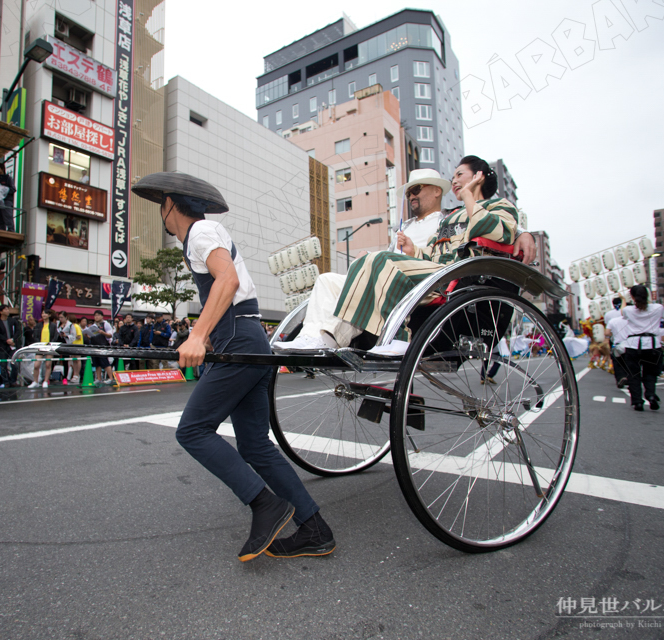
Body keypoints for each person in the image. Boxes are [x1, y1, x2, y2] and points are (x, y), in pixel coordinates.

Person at [132, 171, 335, 561]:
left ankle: (265, 504)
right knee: (256, 446)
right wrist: (204, 335)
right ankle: (315, 528)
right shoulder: (205, 235)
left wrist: (197, 335)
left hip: (241, 343)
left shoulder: (202, 232)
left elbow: (225, 280)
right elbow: (231, 294)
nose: (161, 212)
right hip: (248, 339)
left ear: (171, 204)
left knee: (192, 431)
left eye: (161, 204)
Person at [275, 158, 535, 352]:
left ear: (479, 176)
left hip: (460, 278)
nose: (455, 180)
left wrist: (471, 199)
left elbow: (495, 231)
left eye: (460, 175)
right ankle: (318, 337)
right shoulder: (451, 217)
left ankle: (383, 338)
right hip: (432, 272)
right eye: (453, 176)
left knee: (379, 261)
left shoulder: (497, 206)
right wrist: (414, 250)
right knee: (328, 279)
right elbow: (433, 253)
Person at [621, 284, 664, 411]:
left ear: (632, 296)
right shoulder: (658, 308)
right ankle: (651, 395)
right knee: (651, 373)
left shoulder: (628, 310)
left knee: (633, 374)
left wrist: (624, 300)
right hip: (653, 344)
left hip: (633, 344)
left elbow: (623, 314)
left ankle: (637, 401)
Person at [0, 304, 23, 387]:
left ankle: (13, 381)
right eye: (5, 309)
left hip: (13, 344)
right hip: (2, 345)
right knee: (3, 364)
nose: (7, 311)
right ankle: (6, 381)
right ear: (1, 312)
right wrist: (6, 340)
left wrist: (13, 339)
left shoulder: (12, 321)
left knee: (14, 364)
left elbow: (18, 331)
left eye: (8, 309)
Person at [29, 309, 60, 389]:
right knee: (36, 365)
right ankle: (35, 381)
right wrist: (39, 344)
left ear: (49, 315)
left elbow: (55, 336)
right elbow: (35, 336)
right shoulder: (38, 325)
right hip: (40, 347)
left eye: (45, 313)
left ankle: (45, 381)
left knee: (48, 365)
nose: (44, 315)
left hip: (49, 347)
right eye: (43, 313)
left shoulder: (53, 325)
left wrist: (50, 344)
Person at [605, 298, 630, 389]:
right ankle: (629, 377)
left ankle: (620, 377)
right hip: (631, 343)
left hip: (617, 343)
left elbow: (607, 333)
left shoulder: (610, 316)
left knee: (617, 362)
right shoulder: (631, 318)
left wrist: (613, 334)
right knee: (629, 362)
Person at [0, 164, 16, 232]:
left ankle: (11, 231)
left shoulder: (8, 178)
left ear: (1, 168)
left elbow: (13, 189)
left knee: (7, 217)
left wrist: (4, 190)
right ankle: (0, 231)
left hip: (6, 201)